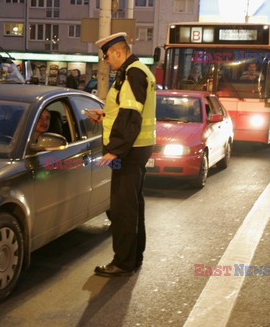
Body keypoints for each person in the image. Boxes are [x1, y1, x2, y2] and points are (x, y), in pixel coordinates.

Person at [88, 32, 156, 277]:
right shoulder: (138, 71)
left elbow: (131, 116)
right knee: (133, 206)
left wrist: (115, 151)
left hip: (129, 152)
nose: (106, 60)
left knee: (122, 209)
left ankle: (123, 262)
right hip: (136, 149)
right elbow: (127, 111)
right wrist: (103, 115)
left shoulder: (132, 73)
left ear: (118, 51)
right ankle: (133, 258)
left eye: (106, 55)